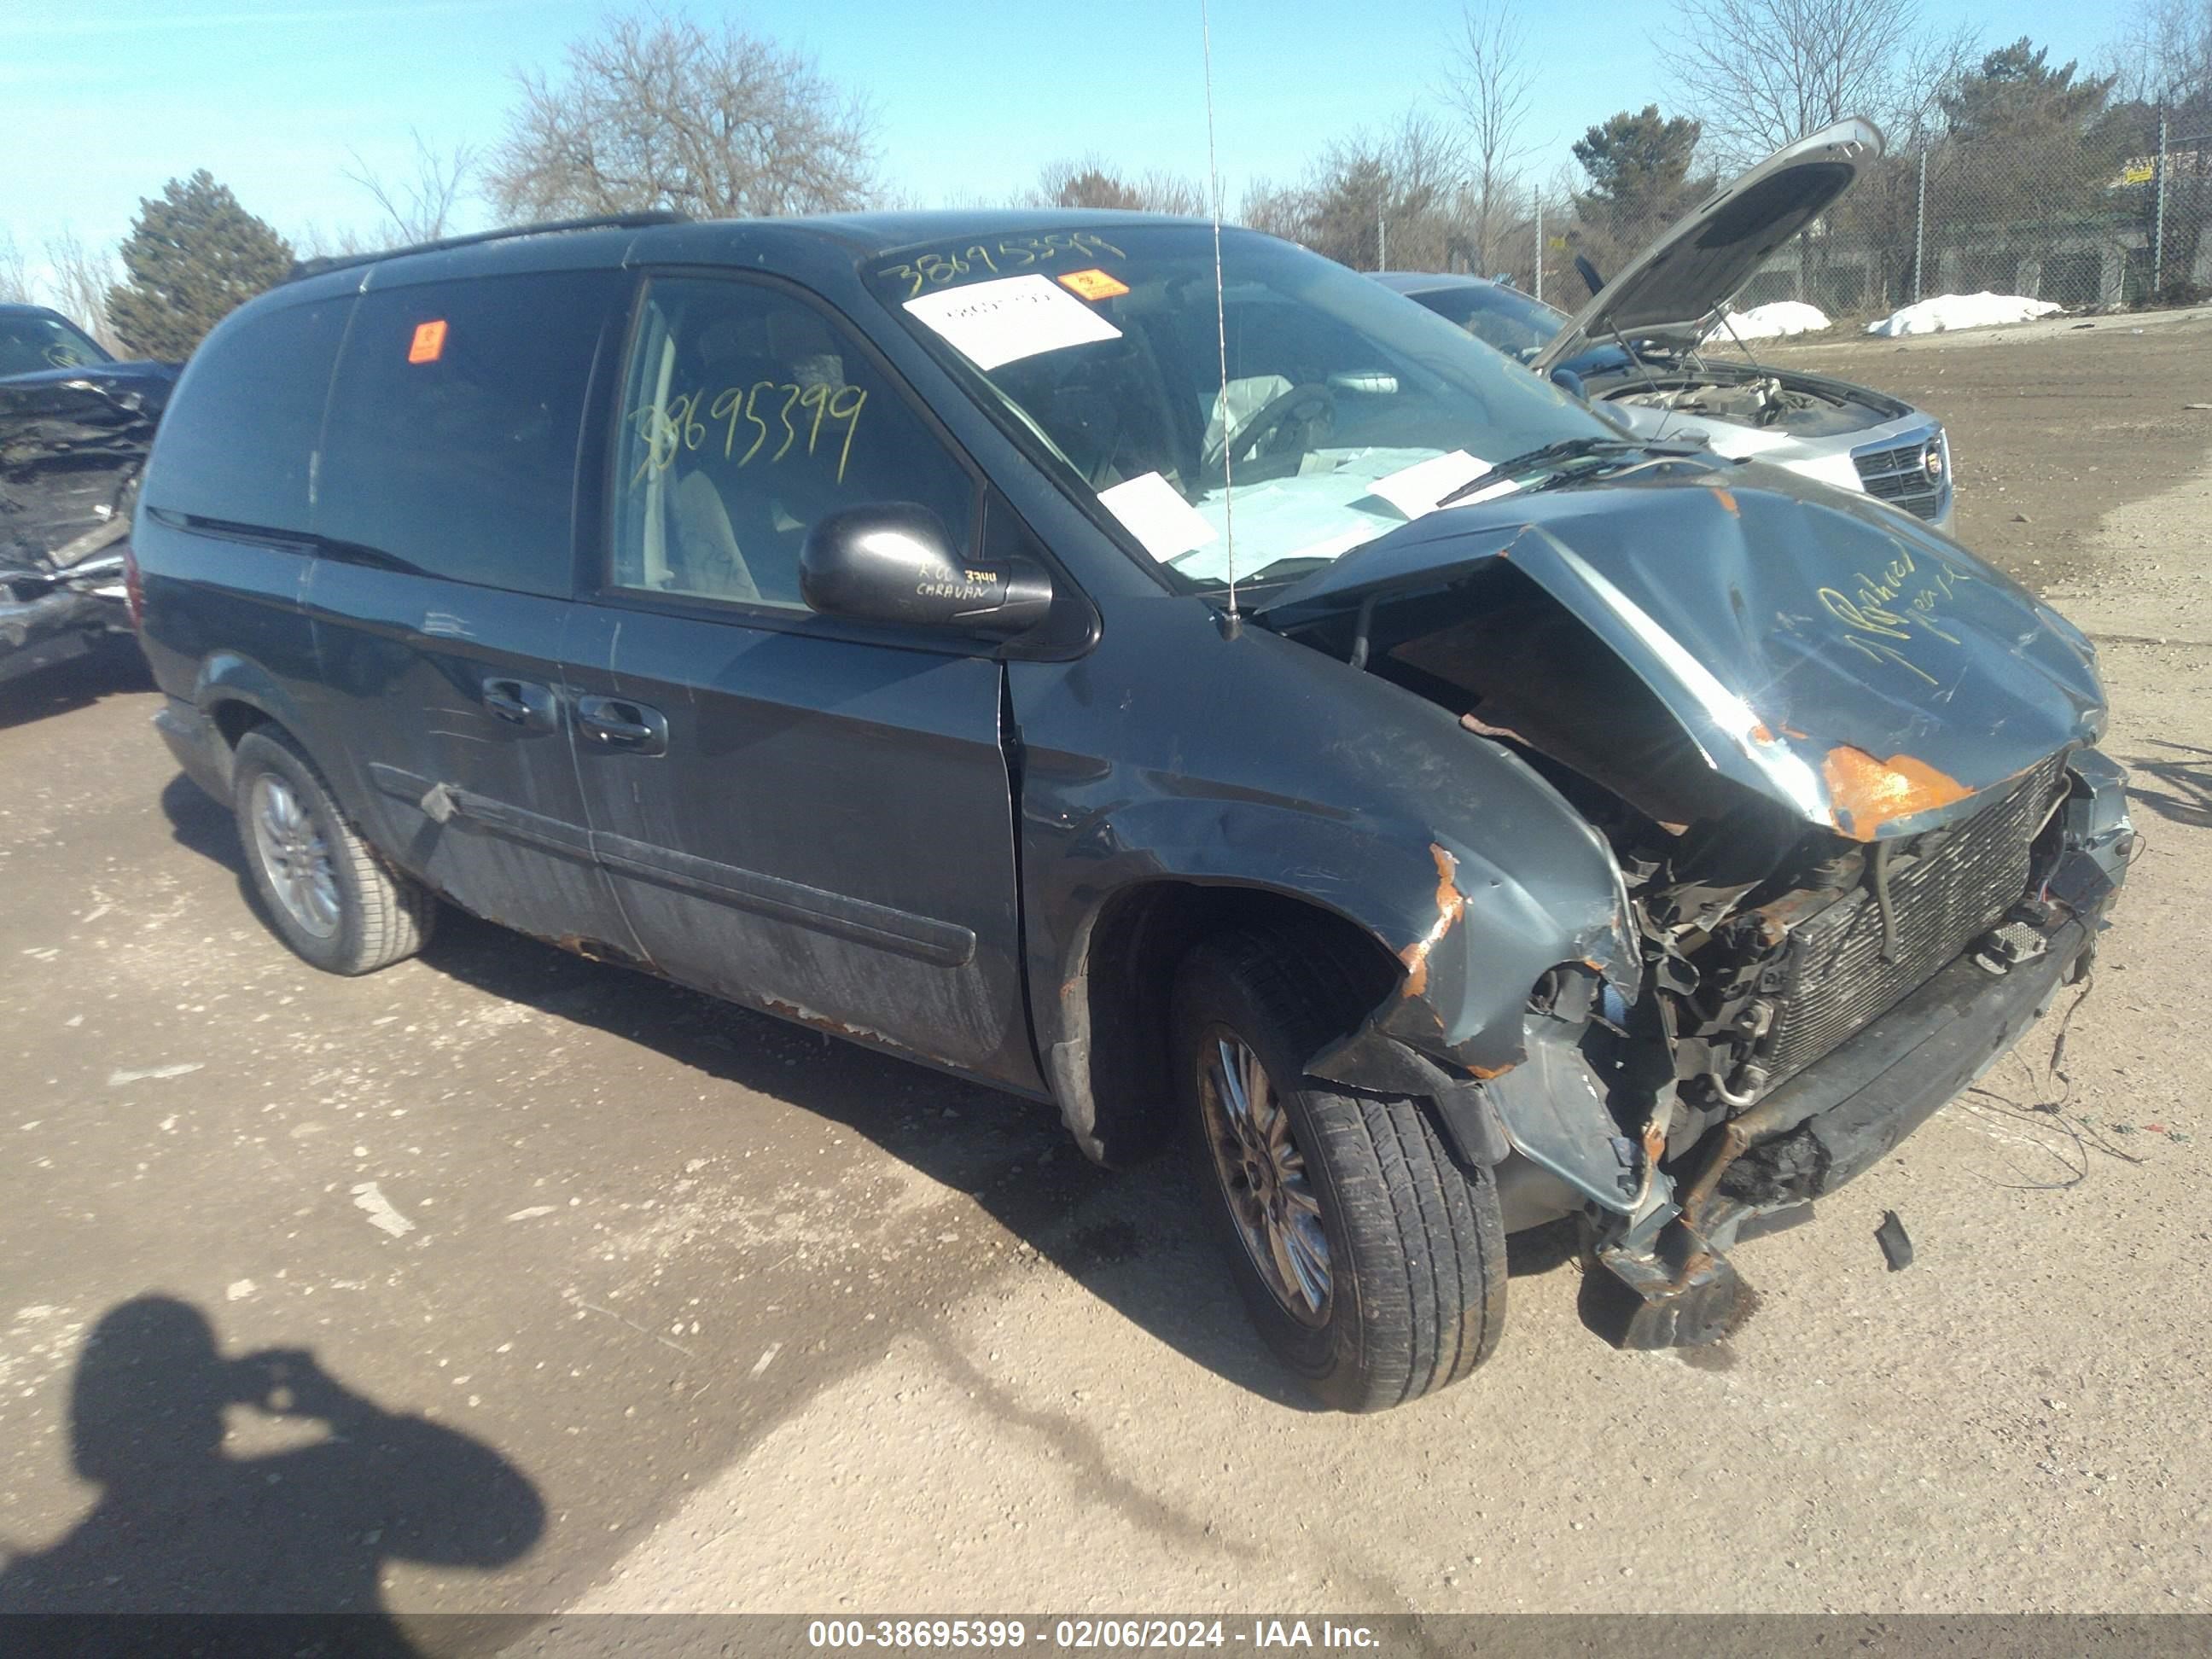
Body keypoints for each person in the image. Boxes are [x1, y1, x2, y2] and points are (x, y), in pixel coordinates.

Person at [0, 1295, 544, 1643]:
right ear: (218, 1411)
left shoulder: (41, 1595)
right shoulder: (305, 1499)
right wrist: (345, 1410)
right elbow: (506, 1524)